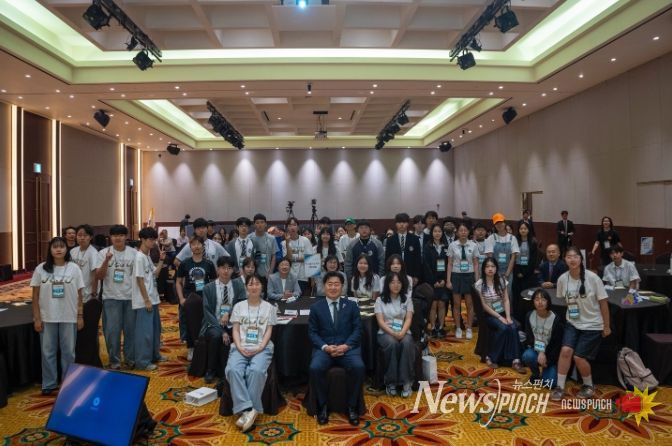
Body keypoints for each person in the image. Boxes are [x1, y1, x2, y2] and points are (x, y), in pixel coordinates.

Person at [552, 247, 611, 401]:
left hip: (592, 324)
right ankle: (559, 387)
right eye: (569, 257)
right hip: (573, 322)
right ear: (565, 260)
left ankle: (588, 385)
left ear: (581, 259)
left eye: (575, 256)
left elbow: (603, 303)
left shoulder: (593, 278)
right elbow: (564, 299)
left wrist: (606, 326)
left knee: (579, 357)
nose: (572, 259)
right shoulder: (562, 279)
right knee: (565, 351)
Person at [308, 271, 365, 426]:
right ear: (324, 286)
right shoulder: (316, 307)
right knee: (315, 368)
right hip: (325, 349)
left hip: (347, 348)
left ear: (342, 287)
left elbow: (358, 330)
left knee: (359, 367)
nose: (333, 287)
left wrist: (346, 346)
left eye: (336, 284)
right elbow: (312, 333)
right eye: (330, 284)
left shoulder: (352, 306)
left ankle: (352, 406)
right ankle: (323, 406)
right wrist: (325, 347)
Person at [31, 237, 85, 395]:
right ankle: (49, 383)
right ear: (50, 250)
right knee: (48, 352)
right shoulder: (41, 269)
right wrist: (37, 318)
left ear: (66, 249)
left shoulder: (74, 268)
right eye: (55, 247)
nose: (59, 250)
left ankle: (68, 382)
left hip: (69, 315)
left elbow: (80, 295)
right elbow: (35, 296)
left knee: (69, 352)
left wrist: (80, 315)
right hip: (47, 316)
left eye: (61, 246)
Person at [226, 273, 276, 432]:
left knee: (256, 371)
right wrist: (239, 347)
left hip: (262, 347)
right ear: (246, 287)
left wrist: (260, 347)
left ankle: (246, 412)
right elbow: (235, 330)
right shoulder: (238, 306)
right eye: (251, 284)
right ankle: (249, 409)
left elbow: (268, 331)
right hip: (240, 346)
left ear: (262, 287)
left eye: (257, 284)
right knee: (233, 370)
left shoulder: (269, 307)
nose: (254, 287)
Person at [95, 225, 137, 369]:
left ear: (126, 237)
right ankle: (115, 361)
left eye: (121, 235)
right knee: (112, 331)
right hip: (111, 298)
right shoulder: (103, 253)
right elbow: (99, 276)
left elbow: (138, 276)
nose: (118, 238)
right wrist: (106, 261)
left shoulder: (134, 253)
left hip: (130, 297)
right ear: (110, 237)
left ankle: (130, 359)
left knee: (130, 331)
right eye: (114, 235)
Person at [474, 257, 525, 373]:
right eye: (487, 266)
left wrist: (508, 317)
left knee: (512, 326)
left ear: (496, 268)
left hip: (502, 312)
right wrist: (500, 317)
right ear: (483, 269)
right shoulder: (480, 284)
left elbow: (506, 300)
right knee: (503, 328)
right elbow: (484, 306)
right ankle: (491, 357)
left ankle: (516, 360)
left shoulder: (501, 281)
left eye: (492, 266)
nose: (490, 269)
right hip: (489, 315)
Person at [201, 256, 246, 383]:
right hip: (213, 323)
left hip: (233, 323)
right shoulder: (208, 288)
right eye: (223, 268)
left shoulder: (238, 285)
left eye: (229, 268)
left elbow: (242, 305)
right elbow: (207, 313)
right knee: (216, 336)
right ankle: (211, 370)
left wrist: (229, 313)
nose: (226, 271)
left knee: (244, 335)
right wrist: (222, 331)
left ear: (233, 270)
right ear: (218, 269)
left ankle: (239, 369)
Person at [176, 236, 217, 361]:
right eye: (194, 244)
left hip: (204, 298)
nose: (197, 246)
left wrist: (212, 299)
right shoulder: (185, 263)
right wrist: (181, 298)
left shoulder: (209, 264)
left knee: (204, 323)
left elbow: (214, 283)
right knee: (189, 323)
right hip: (189, 298)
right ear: (190, 247)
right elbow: (178, 282)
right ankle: (191, 347)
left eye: (199, 244)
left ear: (203, 246)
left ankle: (202, 346)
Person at [375, 272, 415, 397]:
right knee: (392, 344)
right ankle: (391, 382)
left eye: (399, 282)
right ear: (387, 284)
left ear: (403, 284)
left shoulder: (407, 299)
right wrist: (392, 333)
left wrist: (402, 332)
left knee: (407, 343)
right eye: (392, 282)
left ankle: (406, 382)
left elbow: (408, 318)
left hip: (403, 331)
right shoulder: (380, 300)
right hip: (385, 332)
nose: (396, 285)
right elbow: (380, 321)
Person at [132, 227, 166, 371]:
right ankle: (143, 361)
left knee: (155, 330)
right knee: (144, 333)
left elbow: (155, 274)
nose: (153, 242)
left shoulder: (147, 256)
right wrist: (146, 300)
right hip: (144, 301)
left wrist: (161, 260)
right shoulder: (139, 257)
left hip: (154, 299)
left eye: (154, 239)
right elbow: (139, 279)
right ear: (143, 240)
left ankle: (154, 355)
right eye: (150, 239)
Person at [71, 224, 101, 366]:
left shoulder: (93, 253)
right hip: (74, 295)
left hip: (89, 295)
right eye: (79, 235)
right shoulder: (73, 251)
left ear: (90, 237)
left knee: (89, 328)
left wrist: (94, 292)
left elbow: (95, 274)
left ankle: (92, 357)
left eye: (85, 235)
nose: (81, 238)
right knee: (77, 327)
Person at [521, 289, 563, 387]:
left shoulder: (555, 319)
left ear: (548, 302)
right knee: (527, 355)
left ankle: (547, 369)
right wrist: (541, 352)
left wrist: (548, 361)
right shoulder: (529, 315)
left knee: (550, 384)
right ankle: (536, 374)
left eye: (543, 299)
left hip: (551, 355)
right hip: (536, 350)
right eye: (537, 299)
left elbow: (557, 344)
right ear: (533, 302)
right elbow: (530, 339)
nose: (540, 302)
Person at [447, 223, 479, 340]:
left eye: (465, 230)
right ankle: (458, 328)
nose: (463, 232)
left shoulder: (473, 245)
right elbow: (449, 264)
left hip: (469, 276)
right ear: (457, 232)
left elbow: (476, 264)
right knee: (456, 304)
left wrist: (477, 280)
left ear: (468, 232)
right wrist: (448, 280)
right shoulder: (452, 245)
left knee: (469, 304)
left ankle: (469, 328)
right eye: (461, 230)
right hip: (456, 276)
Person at [423, 224, 449, 338]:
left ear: (442, 233)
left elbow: (449, 264)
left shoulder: (446, 246)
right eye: (435, 231)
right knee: (433, 305)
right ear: (431, 233)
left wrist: (444, 280)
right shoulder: (427, 247)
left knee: (442, 304)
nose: (437, 233)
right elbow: (426, 266)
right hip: (432, 281)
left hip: (443, 281)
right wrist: (434, 281)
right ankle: (433, 327)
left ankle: (441, 327)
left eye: (439, 231)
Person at [485, 213, 519, 299]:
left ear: (505, 223)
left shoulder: (512, 238)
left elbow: (513, 257)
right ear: (494, 225)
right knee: (495, 295)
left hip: (508, 272)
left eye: (501, 222)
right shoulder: (491, 238)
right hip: (494, 272)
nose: (499, 225)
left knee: (508, 294)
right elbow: (490, 258)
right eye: (497, 223)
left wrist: (507, 274)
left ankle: (509, 308)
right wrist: (495, 273)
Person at [344, 220, 385, 289]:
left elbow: (382, 261)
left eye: (366, 227)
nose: (364, 230)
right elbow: (348, 263)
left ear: (370, 229)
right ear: (357, 230)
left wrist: (379, 277)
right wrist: (350, 279)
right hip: (357, 279)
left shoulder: (378, 243)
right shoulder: (352, 244)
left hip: (374, 279)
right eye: (361, 228)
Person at [384, 213, 422, 286]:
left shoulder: (415, 239)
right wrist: (388, 274)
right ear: (396, 224)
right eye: (399, 222)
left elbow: (418, 259)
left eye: (404, 222)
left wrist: (416, 276)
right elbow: (387, 259)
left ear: (408, 224)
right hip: (394, 274)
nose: (401, 224)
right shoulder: (390, 240)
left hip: (410, 273)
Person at [512, 221, 540, 322]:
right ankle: (516, 318)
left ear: (528, 230)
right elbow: (513, 258)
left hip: (528, 273)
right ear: (518, 230)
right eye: (521, 228)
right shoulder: (515, 241)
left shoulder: (533, 242)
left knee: (527, 297)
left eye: (525, 228)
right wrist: (517, 272)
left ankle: (527, 318)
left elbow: (534, 260)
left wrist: (524, 273)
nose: (523, 230)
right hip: (517, 271)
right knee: (517, 297)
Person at [282, 217, 316, 295]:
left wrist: (313, 279)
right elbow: (288, 260)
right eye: (290, 225)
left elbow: (311, 259)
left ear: (298, 227)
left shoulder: (305, 240)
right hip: (289, 277)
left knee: (303, 299)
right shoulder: (284, 243)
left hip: (303, 276)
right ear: (287, 228)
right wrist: (287, 243)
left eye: (294, 225)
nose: (292, 227)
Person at [249, 213, 279, 280]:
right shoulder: (249, 238)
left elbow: (274, 256)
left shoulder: (271, 238)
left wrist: (270, 272)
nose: (260, 225)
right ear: (254, 225)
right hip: (251, 273)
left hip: (266, 273)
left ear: (266, 224)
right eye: (257, 223)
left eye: (262, 222)